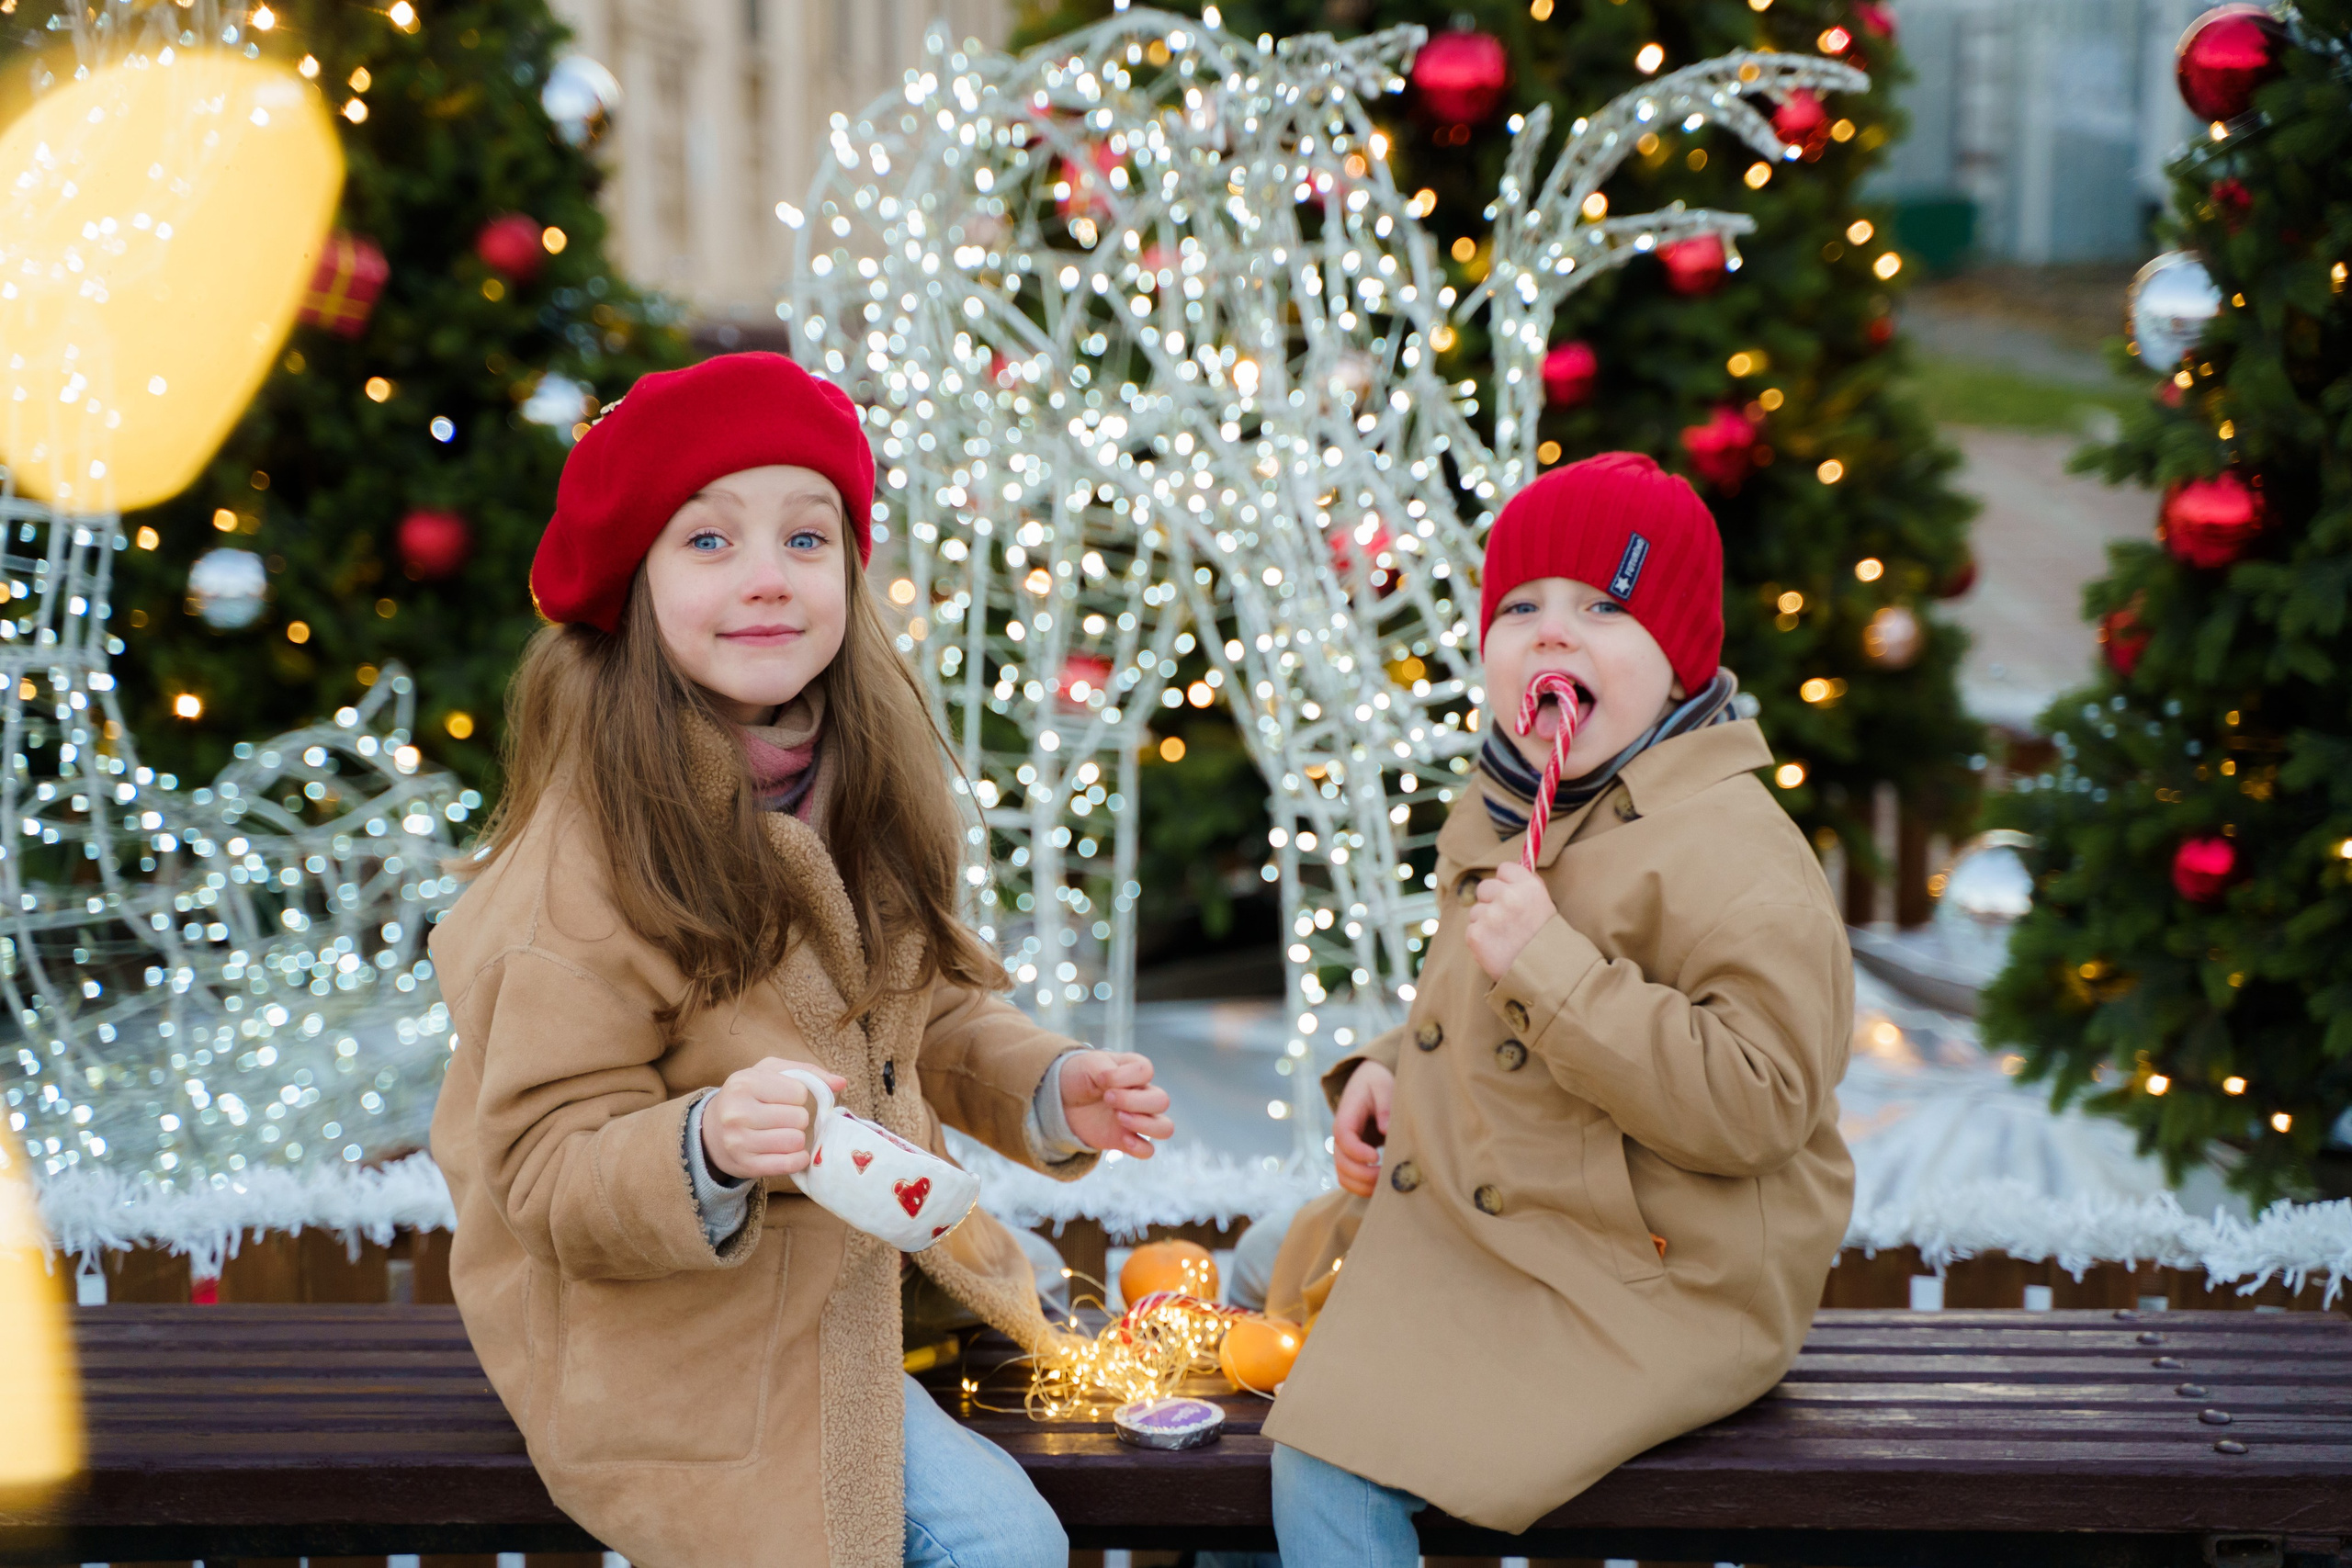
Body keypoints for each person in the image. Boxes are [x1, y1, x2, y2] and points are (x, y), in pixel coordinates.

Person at [426, 353, 1173, 1568]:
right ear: (630, 582)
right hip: (674, 1323)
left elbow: (917, 1008)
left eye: (807, 537)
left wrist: (1049, 1079)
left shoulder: (847, 775)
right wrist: (707, 1140)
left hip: (845, 1280)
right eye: (709, 542)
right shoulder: (584, 860)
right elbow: (544, 1167)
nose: (768, 579)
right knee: (1000, 1541)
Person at [1250, 451, 1855, 1565]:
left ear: (1680, 665)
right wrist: (1392, 1068)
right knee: (1257, 1268)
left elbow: (1761, 1105)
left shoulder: (1732, 852)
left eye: (1605, 608)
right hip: (1515, 1217)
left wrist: (1556, 971)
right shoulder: (1513, 804)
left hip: (1653, 1272)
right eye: (1520, 606)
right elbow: (1480, 1006)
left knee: (1330, 1458)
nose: (1553, 634)